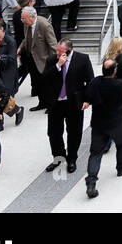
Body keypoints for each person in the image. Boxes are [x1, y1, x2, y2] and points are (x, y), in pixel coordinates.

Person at [43, 39, 93, 175]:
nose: (58, 53)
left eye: (61, 51)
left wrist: (88, 100)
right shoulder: (52, 60)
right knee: (53, 133)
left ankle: (72, 159)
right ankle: (58, 157)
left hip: (74, 103)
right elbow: (45, 78)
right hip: (56, 103)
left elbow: (90, 81)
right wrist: (58, 66)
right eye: (57, 51)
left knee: (74, 132)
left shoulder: (82, 59)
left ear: (69, 51)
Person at [83, 59, 122, 199]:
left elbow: (89, 96)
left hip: (98, 123)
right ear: (114, 71)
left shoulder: (96, 82)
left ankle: (91, 182)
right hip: (115, 123)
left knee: (95, 153)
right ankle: (121, 167)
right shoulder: (120, 84)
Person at [19, 7, 57, 109]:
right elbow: (26, 38)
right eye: (22, 18)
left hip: (44, 59)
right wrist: (20, 48)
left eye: (24, 18)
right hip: (31, 58)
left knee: (48, 84)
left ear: (32, 17)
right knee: (38, 82)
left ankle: (51, 105)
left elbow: (53, 44)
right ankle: (42, 103)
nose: (22, 20)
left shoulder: (44, 25)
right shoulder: (27, 24)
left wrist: (53, 62)